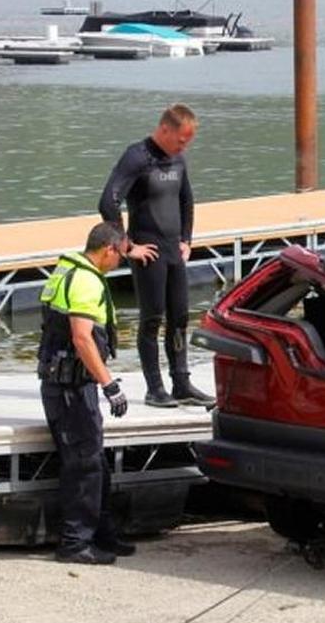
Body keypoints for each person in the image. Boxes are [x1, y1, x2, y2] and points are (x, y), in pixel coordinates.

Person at [98, 103, 214, 409]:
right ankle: (154, 388)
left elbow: (187, 199)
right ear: (165, 129)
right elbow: (108, 202)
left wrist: (187, 240)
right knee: (152, 319)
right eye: (180, 140)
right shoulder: (137, 157)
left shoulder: (178, 159)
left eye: (188, 142)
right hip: (148, 253)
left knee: (179, 318)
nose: (184, 146)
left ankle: (181, 383)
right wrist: (127, 246)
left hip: (174, 250)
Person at [37, 222, 136, 564]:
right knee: (83, 465)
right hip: (70, 388)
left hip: (70, 384)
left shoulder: (68, 267)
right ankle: (74, 543)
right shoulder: (85, 281)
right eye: (121, 255)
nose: (121, 261)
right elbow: (81, 338)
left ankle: (102, 534)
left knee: (96, 462)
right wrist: (110, 385)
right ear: (108, 249)